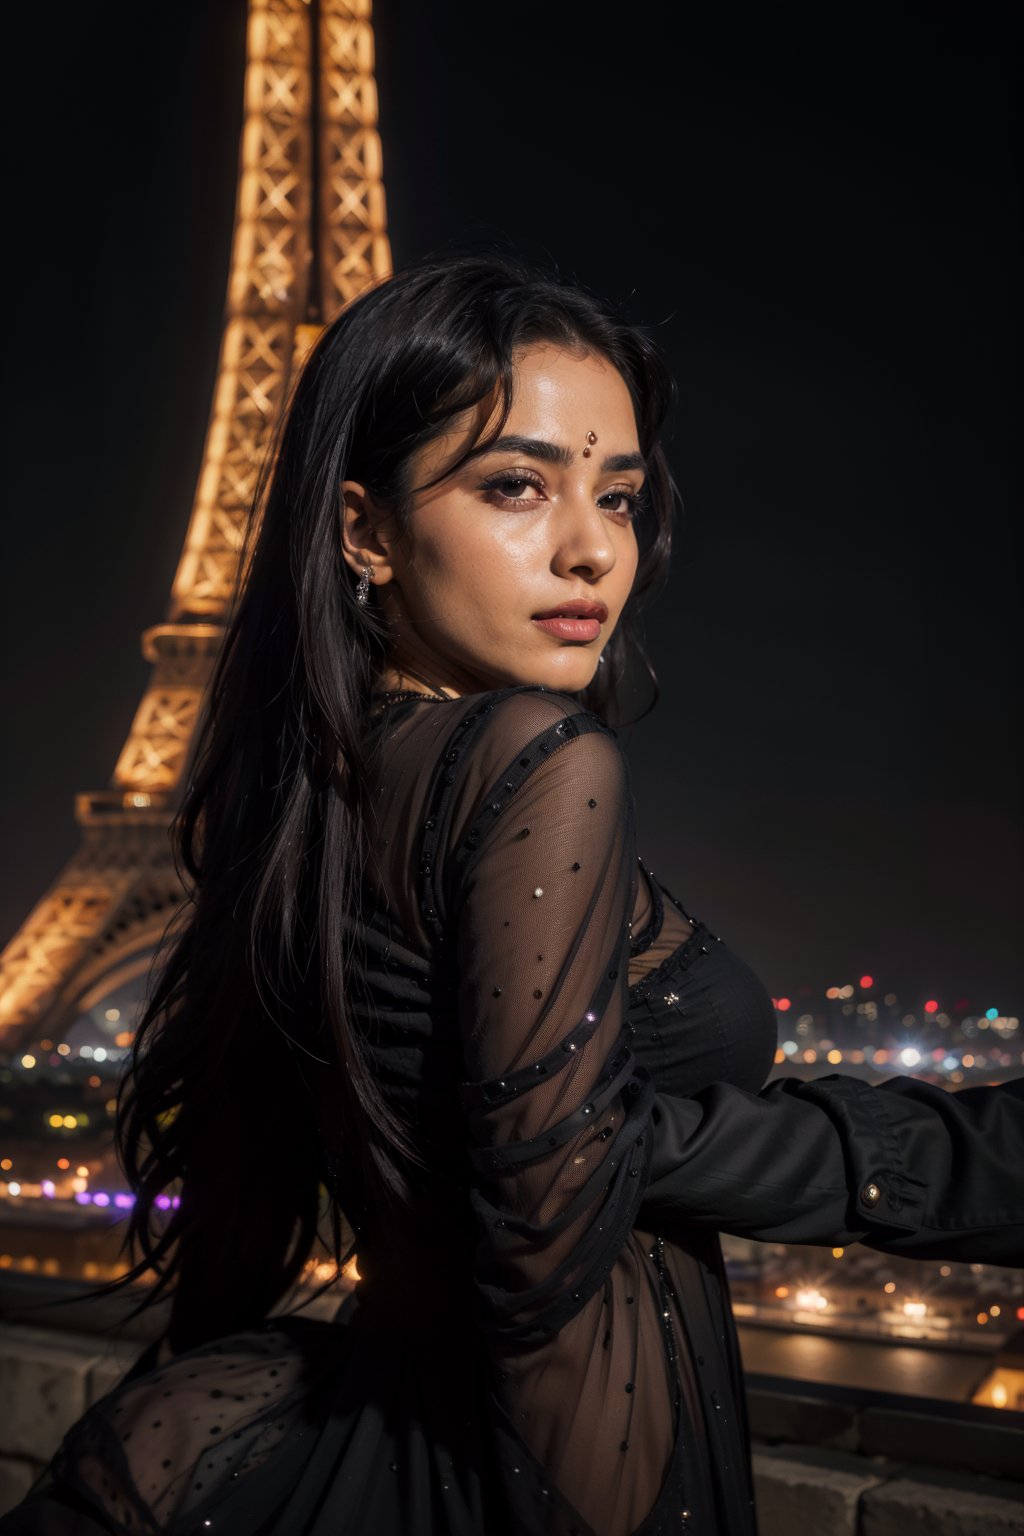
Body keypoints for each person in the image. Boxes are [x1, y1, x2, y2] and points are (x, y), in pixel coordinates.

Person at [2, 251, 1021, 1536]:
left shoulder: (325, 785)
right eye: (517, 486)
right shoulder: (541, 760)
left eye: (622, 493)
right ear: (364, 530)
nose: (594, 549)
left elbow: (379, 1149)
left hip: (277, 1434)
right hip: (518, 1474)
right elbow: (545, 1242)